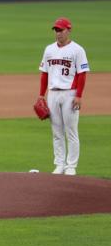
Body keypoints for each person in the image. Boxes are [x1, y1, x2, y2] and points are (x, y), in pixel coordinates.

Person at [38, 17, 90, 176]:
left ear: (68, 30)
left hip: (70, 93)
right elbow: (44, 74)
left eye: (61, 30)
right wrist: (41, 95)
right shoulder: (49, 49)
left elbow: (82, 74)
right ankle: (59, 164)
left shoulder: (77, 50)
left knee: (71, 131)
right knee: (56, 131)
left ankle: (71, 166)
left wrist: (79, 96)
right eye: (56, 30)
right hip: (53, 94)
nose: (58, 33)